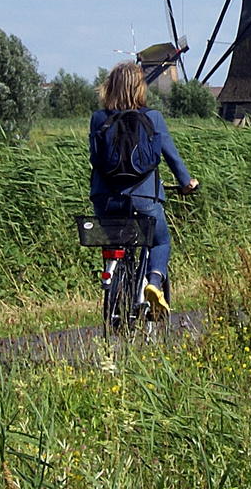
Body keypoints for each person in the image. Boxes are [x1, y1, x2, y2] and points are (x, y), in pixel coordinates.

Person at [89, 61, 197, 314]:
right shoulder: (153, 118)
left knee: (114, 239)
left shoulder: (98, 119)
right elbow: (171, 156)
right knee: (160, 242)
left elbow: (95, 157)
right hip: (143, 198)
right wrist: (186, 183)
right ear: (140, 88)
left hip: (104, 200)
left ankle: (114, 276)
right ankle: (154, 283)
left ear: (110, 87)